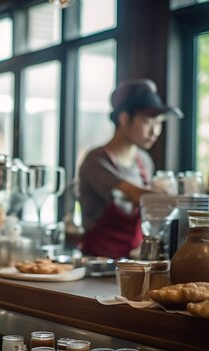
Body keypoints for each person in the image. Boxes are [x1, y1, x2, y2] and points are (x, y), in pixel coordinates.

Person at [76, 79, 182, 259]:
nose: (155, 131)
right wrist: (177, 199)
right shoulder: (97, 160)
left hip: (133, 260)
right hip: (98, 262)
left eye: (159, 123)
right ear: (125, 119)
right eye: (149, 122)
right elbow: (135, 195)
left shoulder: (144, 161)